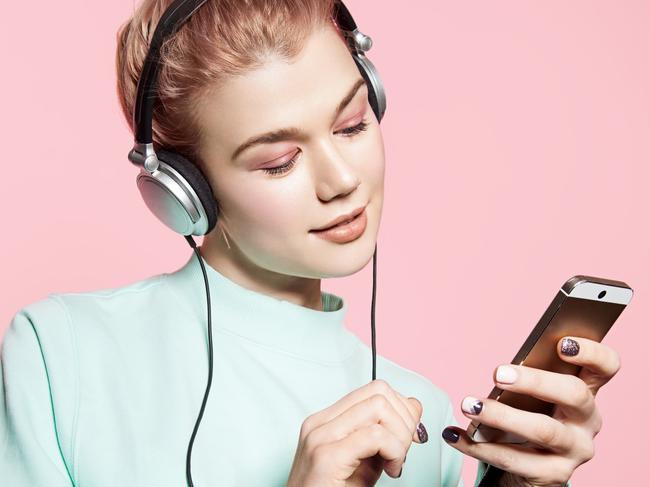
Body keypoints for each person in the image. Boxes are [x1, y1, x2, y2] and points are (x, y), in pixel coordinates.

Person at [0, 1, 620, 486]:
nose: (344, 181)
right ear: (184, 190)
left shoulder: (422, 416)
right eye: (278, 162)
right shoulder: (61, 355)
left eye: (353, 125)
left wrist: (521, 485)